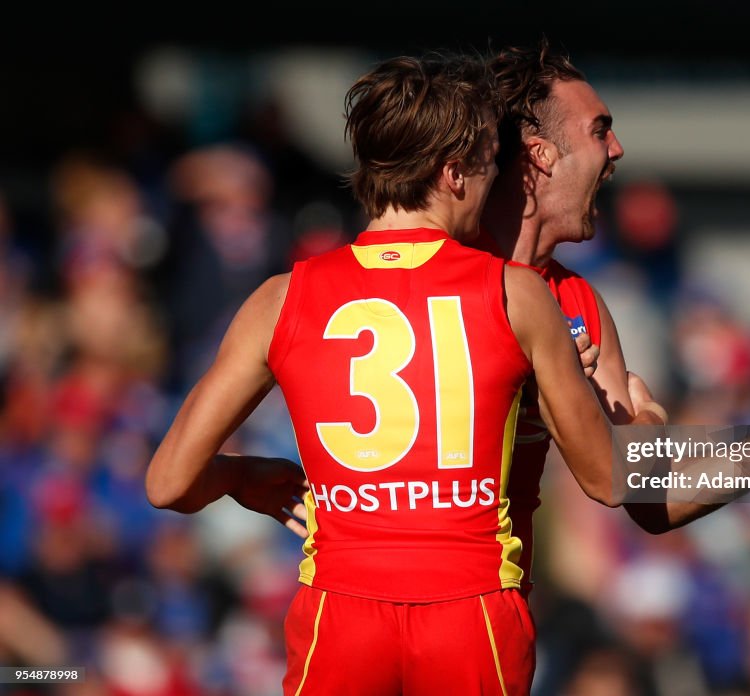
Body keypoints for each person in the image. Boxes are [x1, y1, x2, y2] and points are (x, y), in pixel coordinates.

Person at [145, 53, 665, 696]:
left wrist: (242, 476)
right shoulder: (521, 295)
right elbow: (615, 479)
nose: (496, 179)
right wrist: (652, 420)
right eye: (488, 162)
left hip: (340, 613)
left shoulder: (282, 298)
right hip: (470, 612)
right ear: (453, 173)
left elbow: (167, 483)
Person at [478, 41, 750, 538]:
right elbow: (608, 477)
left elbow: (653, 498)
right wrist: (650, 418)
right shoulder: (440, 266)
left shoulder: (578, 301)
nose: (616, 149)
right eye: (599, 130)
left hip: (498, 589)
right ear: (541, 154)